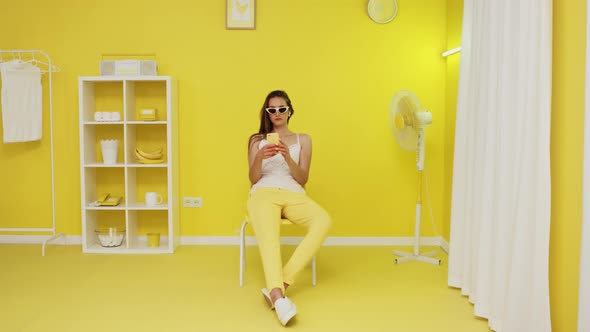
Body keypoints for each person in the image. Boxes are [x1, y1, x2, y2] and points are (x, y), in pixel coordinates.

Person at [247, 90, 332, 326]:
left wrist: (287, 158)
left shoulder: (303, 139)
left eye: (281, 109)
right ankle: (278, 297)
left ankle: (279, 287)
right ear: (267, 112)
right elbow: (253, 178)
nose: (277, 114)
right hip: (263, 193)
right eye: (271, 110)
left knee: (323, 221)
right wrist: (260, 158)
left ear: (289, 110)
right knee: (270, 237)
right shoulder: (256, 140)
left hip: (293, 193)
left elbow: (303, 178)